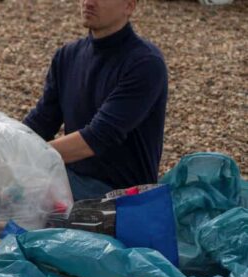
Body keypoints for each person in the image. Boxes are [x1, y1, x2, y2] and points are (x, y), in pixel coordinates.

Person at [23, 0, 168, 200]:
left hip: (120, 196)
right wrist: (0, 144)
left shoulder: (145, 63)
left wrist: (24, 155)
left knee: (9, 198)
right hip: (70, 177)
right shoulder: (67, 55)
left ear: (129, 6)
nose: (89, 2)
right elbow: (42, 121)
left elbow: (98, 137)